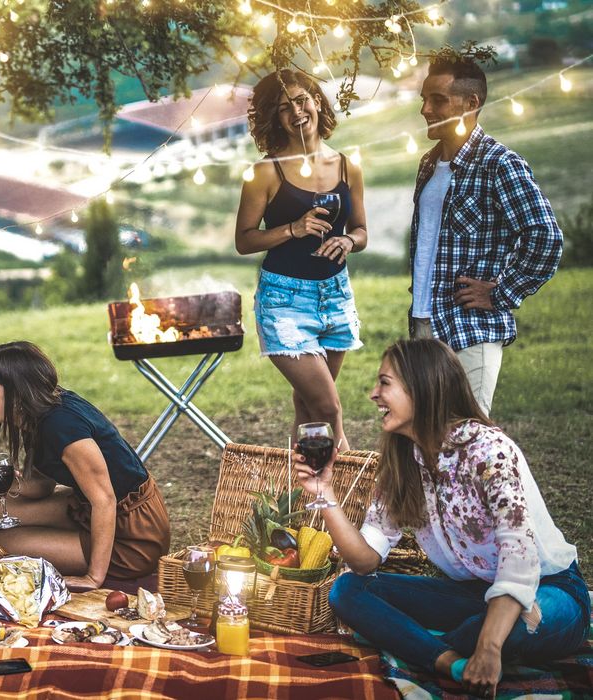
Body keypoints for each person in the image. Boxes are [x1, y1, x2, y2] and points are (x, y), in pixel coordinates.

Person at [296, 339, 587, 698]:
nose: (373, 394)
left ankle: (437, 645)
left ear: (422, 386)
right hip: (472, 594)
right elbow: (365, 560)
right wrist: (324, 494)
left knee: (504, 628)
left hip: (548, 588)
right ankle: (451, 660)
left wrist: (490, 647)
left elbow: (519, 559)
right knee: (348, 590)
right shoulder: (402, 462)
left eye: (384, 382)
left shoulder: (489, 451)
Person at [408, 54, 563, 416]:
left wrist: (502, 292)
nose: (425, 109)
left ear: (471, 103)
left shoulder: (499, 164)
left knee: (466, 443)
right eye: (424, 100)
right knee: (425, 444)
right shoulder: (428, 164)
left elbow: (546, 237)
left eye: (438, 100)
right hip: (422, 326)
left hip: (470, 328)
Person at [235, 69, 369, 451]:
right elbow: (244, 241)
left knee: (308, 406)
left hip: (336, 295)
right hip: (285, 302)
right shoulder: (265, 171)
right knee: (328, 408)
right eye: (283, 108)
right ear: (274, 119)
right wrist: (292, 229)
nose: (296, 112)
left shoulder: (347, 165)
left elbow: (361, 231)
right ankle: (347, 491)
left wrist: (347, 241)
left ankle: (303, 502)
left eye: (301, 100)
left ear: (316, 100)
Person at [0, 341, 171, 590]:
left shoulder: (61, 425)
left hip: (131, 534)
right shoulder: (36, 412)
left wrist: (94, 578)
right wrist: (5, 484)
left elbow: (105, 500)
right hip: (85, 507)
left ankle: (93, 562)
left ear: (16, 391)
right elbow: (42, 486)